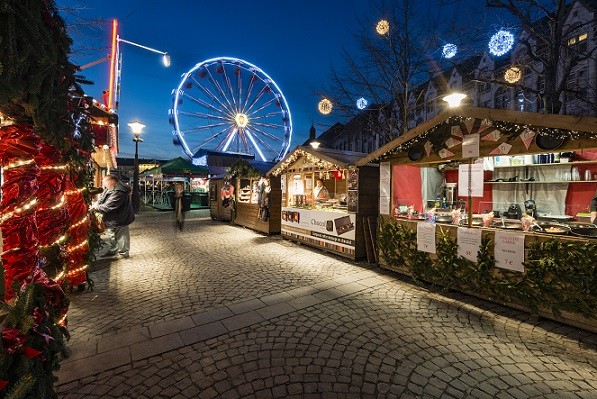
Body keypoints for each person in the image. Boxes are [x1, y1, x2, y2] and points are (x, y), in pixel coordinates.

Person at [93, 174, 135, 258]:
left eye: (105, 182)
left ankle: (124, 253)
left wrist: (95, 207)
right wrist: (97, 204)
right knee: (112, 234)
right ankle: (113, 250)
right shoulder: (110, 188)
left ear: (111, 181)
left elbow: (110, 205)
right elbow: (102, 199)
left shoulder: (119, 191)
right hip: (113, 217)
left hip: (121, 217)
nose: (104, 184)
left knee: (122, 235)